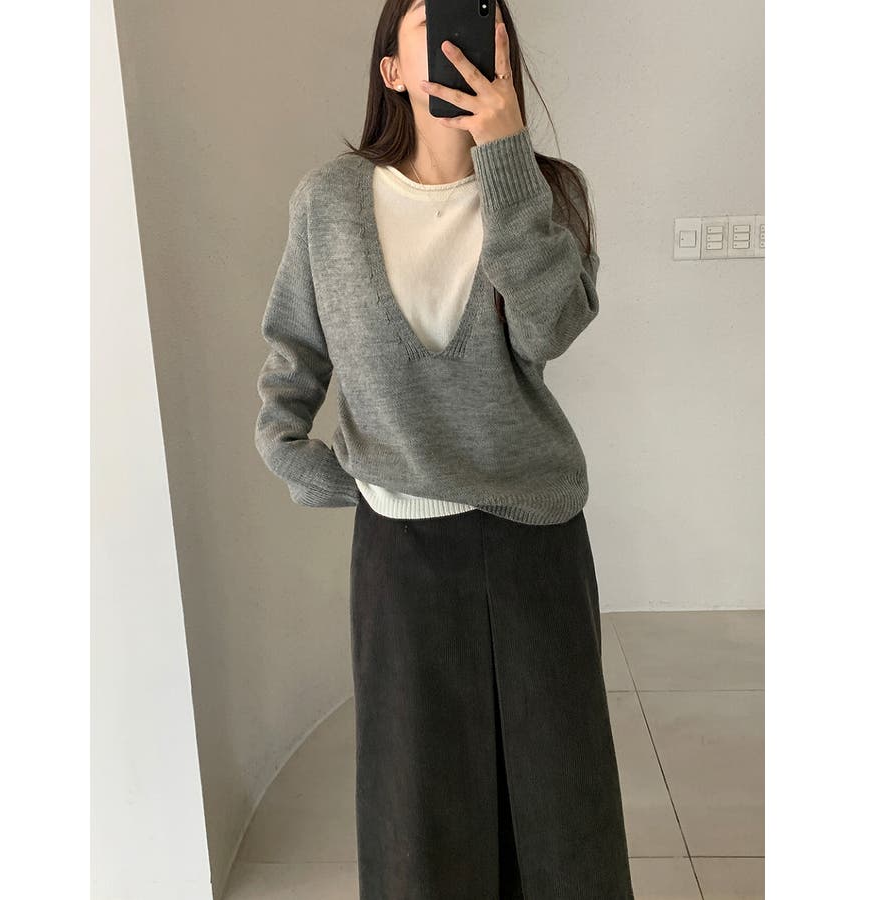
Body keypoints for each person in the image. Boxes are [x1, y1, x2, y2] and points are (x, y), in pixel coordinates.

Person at [253, 1, 634, 896]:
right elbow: (294, 351)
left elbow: (549, 329)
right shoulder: (330, 201)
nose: (457, 35)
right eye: (429, 18)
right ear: (391, 68)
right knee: (418, 811)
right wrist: (294, 453)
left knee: (560, 804)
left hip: (534, 537)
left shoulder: (549, 193)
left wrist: (505, 160)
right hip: (402, 549)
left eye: (476, 15)